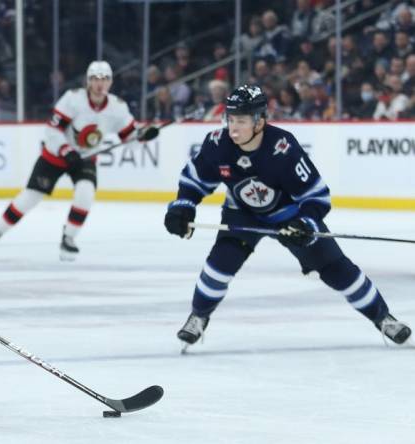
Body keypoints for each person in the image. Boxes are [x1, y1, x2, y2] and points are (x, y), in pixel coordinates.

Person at [163, 84, 411, 351]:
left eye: (242, 121)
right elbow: (194, 180)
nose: (233, 128)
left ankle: (383, 318)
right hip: (242, 214)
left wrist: (305, 223)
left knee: (336, 269)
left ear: (259, 121)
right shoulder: (217, 144)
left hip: (289, 215)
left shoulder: (283, 148)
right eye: (230, 119)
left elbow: (317, 196)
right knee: (219, 266)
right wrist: (184, 206)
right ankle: (198, 316)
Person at [0, 61, 156, 260]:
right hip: (55, 155)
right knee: (30, 197)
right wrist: (65, 150)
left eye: (105, 79)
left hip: (85, 158)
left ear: (110, 82)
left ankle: (69, 238)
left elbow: (130, 139)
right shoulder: (73, 99)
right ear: (88, 82)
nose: (100, 84)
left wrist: (143, 137)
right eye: (95, 79)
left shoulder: (118, 108)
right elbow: (52, 130)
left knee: (85, 194)